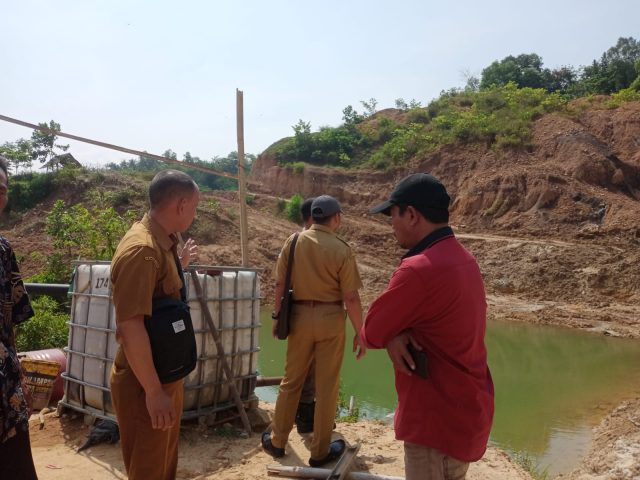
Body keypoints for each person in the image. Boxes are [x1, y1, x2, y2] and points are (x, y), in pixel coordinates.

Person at [361, 173, 494, 480]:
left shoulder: (419, 269)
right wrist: (397, 333)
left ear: (411, 215)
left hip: (435, 421)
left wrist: (392, 333)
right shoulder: (464, 259)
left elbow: (371, 332)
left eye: (392, 215)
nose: (391, 225)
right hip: (464, 411)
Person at [263, 195, 366, 467]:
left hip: (298, 317)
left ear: (313, 216)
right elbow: (351, 298)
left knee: (291, 382)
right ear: (337, 218)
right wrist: (361, 331)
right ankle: (320, 451)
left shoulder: (294, 241)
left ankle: (277, 442)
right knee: (327, 386)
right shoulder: (341, 248)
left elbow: (279, 284)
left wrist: (276, 317)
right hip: (331, 318)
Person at [109, 169, 199, 480]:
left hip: (162, 375)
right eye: (195, 207)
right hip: (145, 381)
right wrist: (153, 391)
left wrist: (179, 266)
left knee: (162, 463)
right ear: (182, 204)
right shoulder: (142, 250)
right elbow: (130, 326)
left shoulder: (163, 244)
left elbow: (159, 296)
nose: (195, 214)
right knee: (148, 468)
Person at [0, 155, 38, 479]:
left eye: (2, 189)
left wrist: (19, 372)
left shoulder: (3, 250)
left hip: (5, 393)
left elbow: (10, 319)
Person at [294, 197, 317, 434]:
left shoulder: (292, 242)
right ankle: (306, 419)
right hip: (316, 314)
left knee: (297, 369)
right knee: (312, 370)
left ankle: (293, 417)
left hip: (295, 315)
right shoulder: (314, 242)